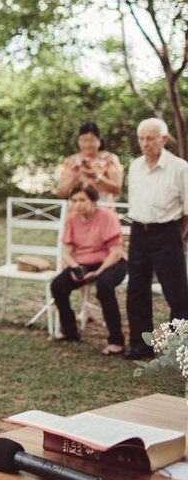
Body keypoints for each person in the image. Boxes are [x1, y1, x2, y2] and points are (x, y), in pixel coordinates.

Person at [124, 117, 188, 360]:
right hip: (139, 232)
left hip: (168, 233)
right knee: (136, 292)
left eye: (150, 138)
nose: (145, 143)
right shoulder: (135, 166)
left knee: (178, 294)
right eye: (141, 138)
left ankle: (179, 350)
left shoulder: (180, 167)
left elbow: (187, 211)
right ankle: (140, 346)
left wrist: (175, 237)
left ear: (163, 139)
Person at [51, 182, 127, 353]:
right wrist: (76, 267)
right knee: (58, 285)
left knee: (104, 287)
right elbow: (67, 253)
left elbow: (115, 253)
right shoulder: (72, 219)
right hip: (84, 262)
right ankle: (70, 331)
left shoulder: (107, 217)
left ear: (93, 200)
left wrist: (98, 273)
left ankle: (116, 341)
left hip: (112, 261)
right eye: (74, 200)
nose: (78, 205)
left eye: (82, 200)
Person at [55, 120, 123, 204]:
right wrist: (74, 176)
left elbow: (117, 189)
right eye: (83, 140)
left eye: (91, 140)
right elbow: (61, 193)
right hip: (77, 213)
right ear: (78, 141)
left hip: (102, 212)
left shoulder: (109, 159)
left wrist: (96, 176)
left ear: (99, 141)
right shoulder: (71, 161)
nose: (87, 145)